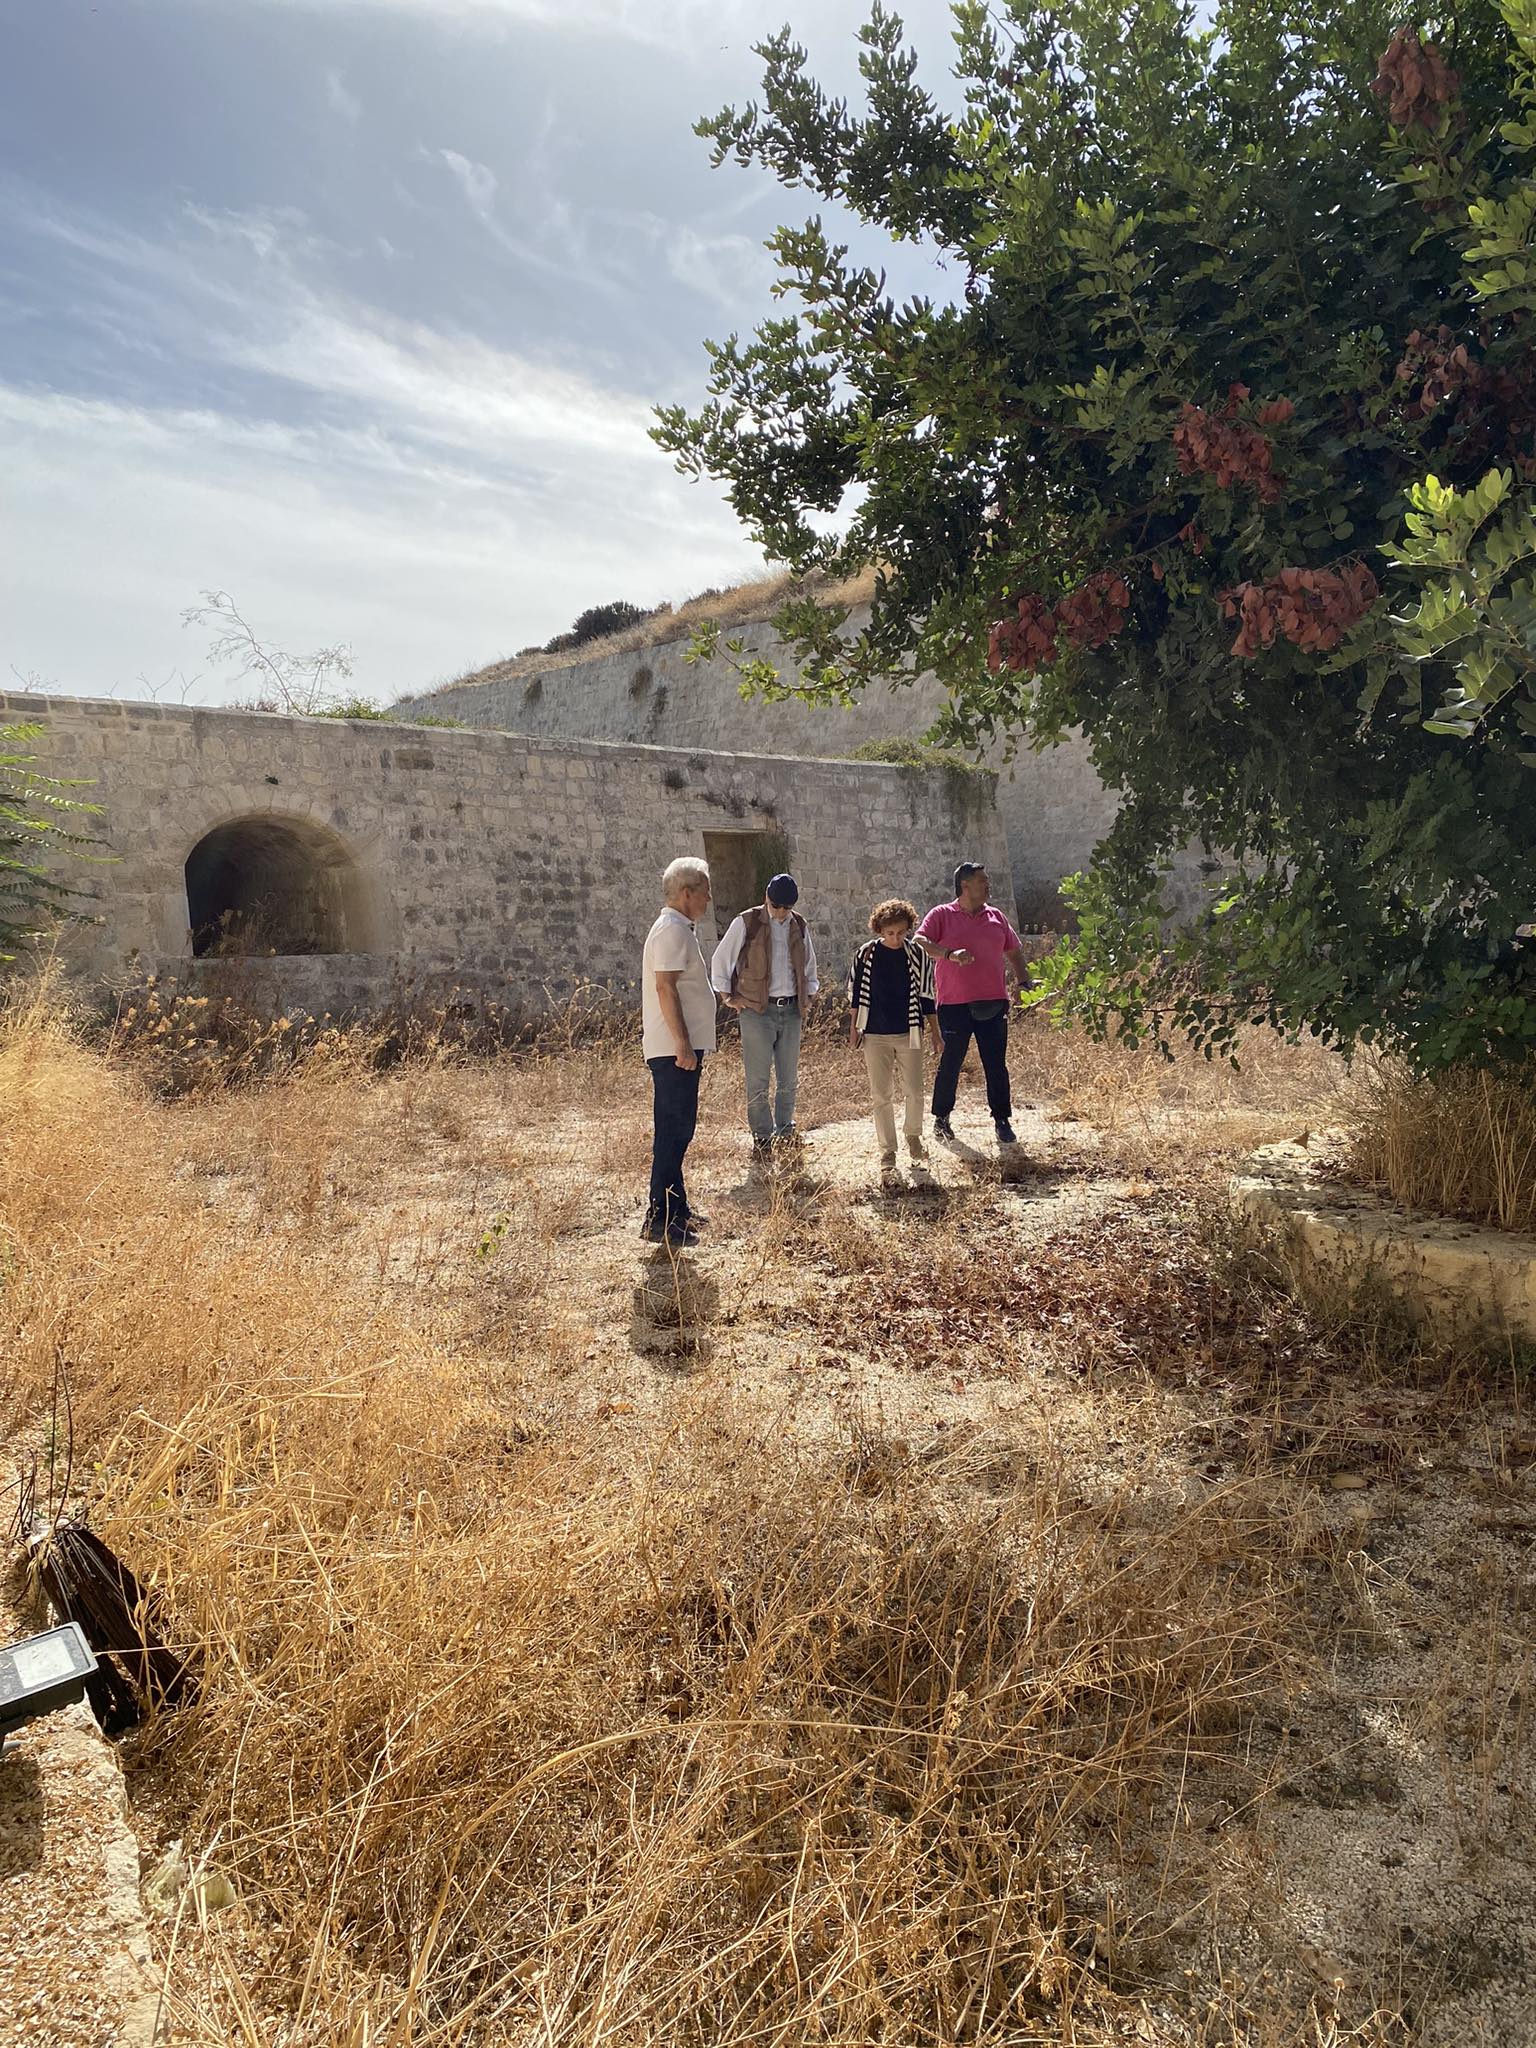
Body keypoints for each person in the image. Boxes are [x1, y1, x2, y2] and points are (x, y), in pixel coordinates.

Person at [915, 862, 1027, 1148]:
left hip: (993, 1002)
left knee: (995, 1065)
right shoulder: (942, 914)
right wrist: (949, 954)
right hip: (954, 1004)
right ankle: (941, 1118)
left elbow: (1013, 950)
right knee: (951, 1063)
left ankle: (1002, 1120)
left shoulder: (996, 917)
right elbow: (920, 941)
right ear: (965, 885)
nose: (988, 885)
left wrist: (1023, 981)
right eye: (982, 881)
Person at [711, 872, 820, 1161]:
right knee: (758, 1079)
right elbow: (721, 960)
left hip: (792, 1010)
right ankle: (762, 1137)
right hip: (757, 1012)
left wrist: (808, 996)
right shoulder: (746, 922)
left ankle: (785, 1131)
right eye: (776, 906)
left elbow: (809, 966)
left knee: (788, 1078)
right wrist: (727, 997)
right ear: (766, 898)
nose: (781, 913)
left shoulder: (799, 924)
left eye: (787, 907)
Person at [640, 856, 716, 1246]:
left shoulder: (678, 928)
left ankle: (677, 1208)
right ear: (687, 894)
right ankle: (660, 1219)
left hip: (679, 1050)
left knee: (680, 1130)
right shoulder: (671, 930)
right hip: (674, 1052)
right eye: (704, 891)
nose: (708, 898)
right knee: (673, 1131)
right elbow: (665, 988)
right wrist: (682, 1045)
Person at [847, 898, 940, 1185]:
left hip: (909, 1031)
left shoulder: (917, 955)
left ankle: (913, 1136)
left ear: (908, 929)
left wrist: (936, 1032)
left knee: (914, 1090)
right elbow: (854, 996)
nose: (895, 938)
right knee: (881, 1095)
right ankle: (887, 1152)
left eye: (900, 932)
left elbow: (927, 996)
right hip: (874, 1033)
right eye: (890, 933)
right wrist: (853, 1029)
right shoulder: (865, 954)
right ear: (880, 930)